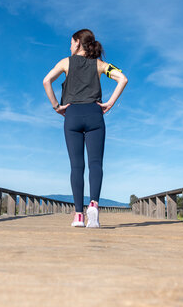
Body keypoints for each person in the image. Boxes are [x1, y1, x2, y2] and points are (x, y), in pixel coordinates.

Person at [42, 29, 128, 227]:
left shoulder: (65, 62)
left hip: (71, 115)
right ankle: (94, 206)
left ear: (78, 43)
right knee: (95, 164)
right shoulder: (100, 65)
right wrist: (110, 103)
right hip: (94, 115)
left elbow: (46, 81)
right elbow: (123, 78)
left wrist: (56, 106)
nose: (70, 46)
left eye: (71, 43)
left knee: (76, 166)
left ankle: (78, 215)